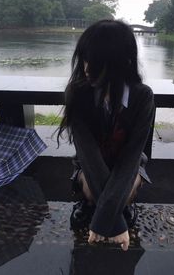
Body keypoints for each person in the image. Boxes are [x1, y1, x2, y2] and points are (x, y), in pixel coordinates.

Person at [57, 19, 155, 251]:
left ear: (121, 62)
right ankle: (103, 206)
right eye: (85, 59)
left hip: (128, 165)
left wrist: (104, 220)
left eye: (96, 62)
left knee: (128, 191)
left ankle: (115, 206)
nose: (87, 69)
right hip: (89, 164)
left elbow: (131, 156)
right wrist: (116, 224)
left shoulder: (143, 97)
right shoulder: (77, 93)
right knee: (90, 191)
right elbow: (88, 154)